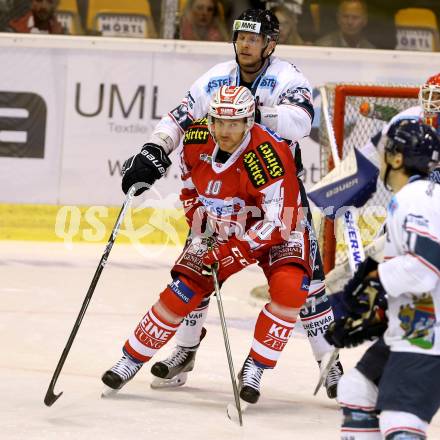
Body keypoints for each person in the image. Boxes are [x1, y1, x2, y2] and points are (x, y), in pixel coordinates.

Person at [119, 8, 343, 399]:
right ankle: (184, 354)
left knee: (308, 284)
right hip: (221, 193)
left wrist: (250, 111)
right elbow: (181, 116)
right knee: (197, 273)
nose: (245, 44)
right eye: (241, 37)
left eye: (254, 39)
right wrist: (155, 148)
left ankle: (329, 364)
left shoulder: (287, 77)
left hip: (274, 189)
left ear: (270, 43)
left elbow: (301, 123)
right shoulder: (217, 76)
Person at [102, 85, 316, 404]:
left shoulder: (268, 155)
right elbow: (190, 191)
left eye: (233, 124)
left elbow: (279, 221)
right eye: (218, 122)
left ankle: (255, 368)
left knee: (290, 289)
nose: (223, 131)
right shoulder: (196, 140)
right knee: (184, 289)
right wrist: (200, 218)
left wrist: (232, 255)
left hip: (280, 225)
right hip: (223, 222)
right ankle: (130, 359)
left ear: (248, 122)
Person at [325, 118, 440, 439]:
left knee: (400, 420)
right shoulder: (422, 196)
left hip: (427, 334)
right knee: (357, 388)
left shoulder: (415, 198)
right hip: (413, 324)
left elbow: (424, 267)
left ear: (398, 158)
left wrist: (377, 283)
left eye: (387, 152)